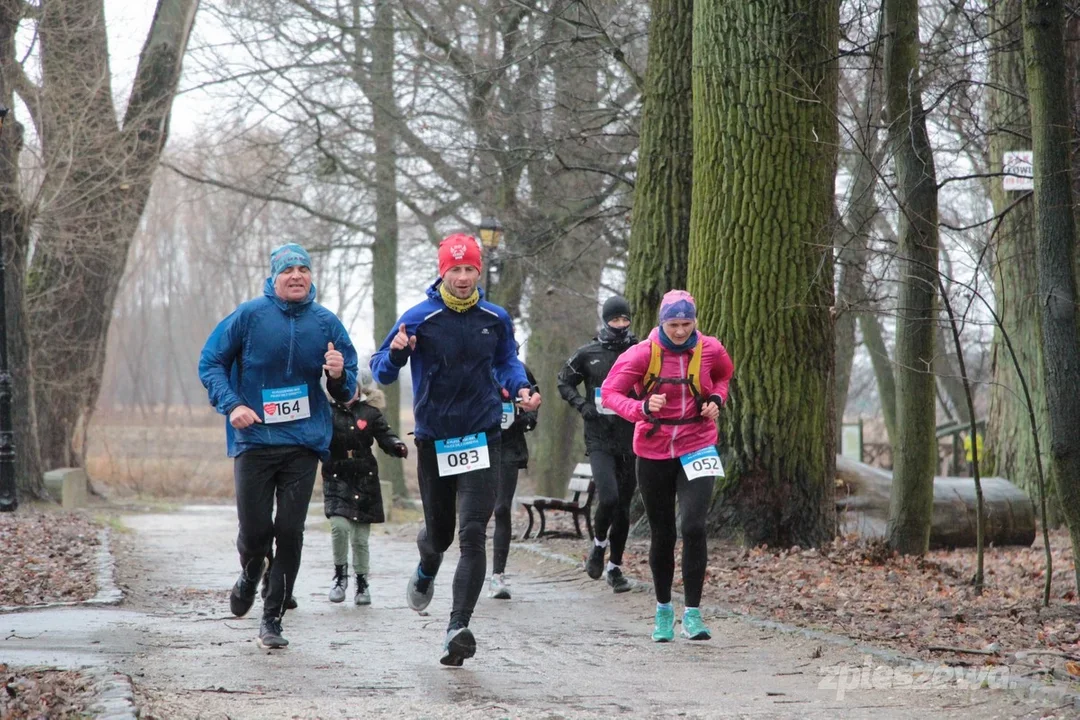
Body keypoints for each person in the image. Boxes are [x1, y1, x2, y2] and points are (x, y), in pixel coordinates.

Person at [370, 233, 541, 666]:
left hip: (483, 434)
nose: (463, 278)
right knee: (441, 534)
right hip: (435, 439)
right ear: (442, 271)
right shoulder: (419, 317)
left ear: (478, 272)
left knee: (471, 534)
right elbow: (382, 373)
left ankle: (457, 628)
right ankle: (427, 566)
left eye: (470, 270)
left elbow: (507, 361)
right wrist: (395, 353)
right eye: (455, 269)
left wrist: (521, 387)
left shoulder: (495, 317)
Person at [199, 243, 358, 650]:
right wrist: (232, 404)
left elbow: (348, 384)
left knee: (290, 531)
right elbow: (210, 361)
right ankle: (252, 570)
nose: (297, 276)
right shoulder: (250, 316)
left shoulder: (325, 322)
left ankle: (272, 618)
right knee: (255, 532)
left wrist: (340, 376)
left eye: (303, 269)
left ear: (311, 277)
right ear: (274, 277)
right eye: (288, 269)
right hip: (253, 438)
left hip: (303, 441)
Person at [601, 290, 733, 643]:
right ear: (661, 322)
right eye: (673, 324)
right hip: (654, 448)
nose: (679, 331)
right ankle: (663, 609)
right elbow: (609, 393)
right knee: (663, 533)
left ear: (695, 321)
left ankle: (693, 613)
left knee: (693, 525)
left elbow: (724, 375)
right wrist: (641, 408)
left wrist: (717, 399)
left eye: (686, 324)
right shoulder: (642, 353)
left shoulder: (710, 349)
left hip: (698, 443)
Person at [557, 295, 638, 593]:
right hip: (599, 436)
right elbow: (563, 381)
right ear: (605, 321)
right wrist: (581, 404)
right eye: (614, 320)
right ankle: (598, 546)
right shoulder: (588, 353)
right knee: (609, 497)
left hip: (630, 436)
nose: (620, 325)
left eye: (624, 319)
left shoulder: (639, 350)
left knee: (624, 508)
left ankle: (615, 568)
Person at [323, 367, 408, 606]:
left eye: (353, 388)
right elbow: (315, 436)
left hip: (364, 479)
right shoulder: (326, 412)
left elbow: (385, 435)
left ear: (360, 389)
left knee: (360, 538)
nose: (348, 392)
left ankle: (362, 583)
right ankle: (340, 576)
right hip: (337, 476)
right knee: (339, 526)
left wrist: (397, 445)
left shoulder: (370, 413)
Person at [489, 364, 539, 601]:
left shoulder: (520, 370)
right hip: (477, 444)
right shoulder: (474, 362)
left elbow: (534, 404)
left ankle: (498, 574)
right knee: (475, 513)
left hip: (509, 447)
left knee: (501, 509)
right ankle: (472, 570)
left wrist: (524, 417)